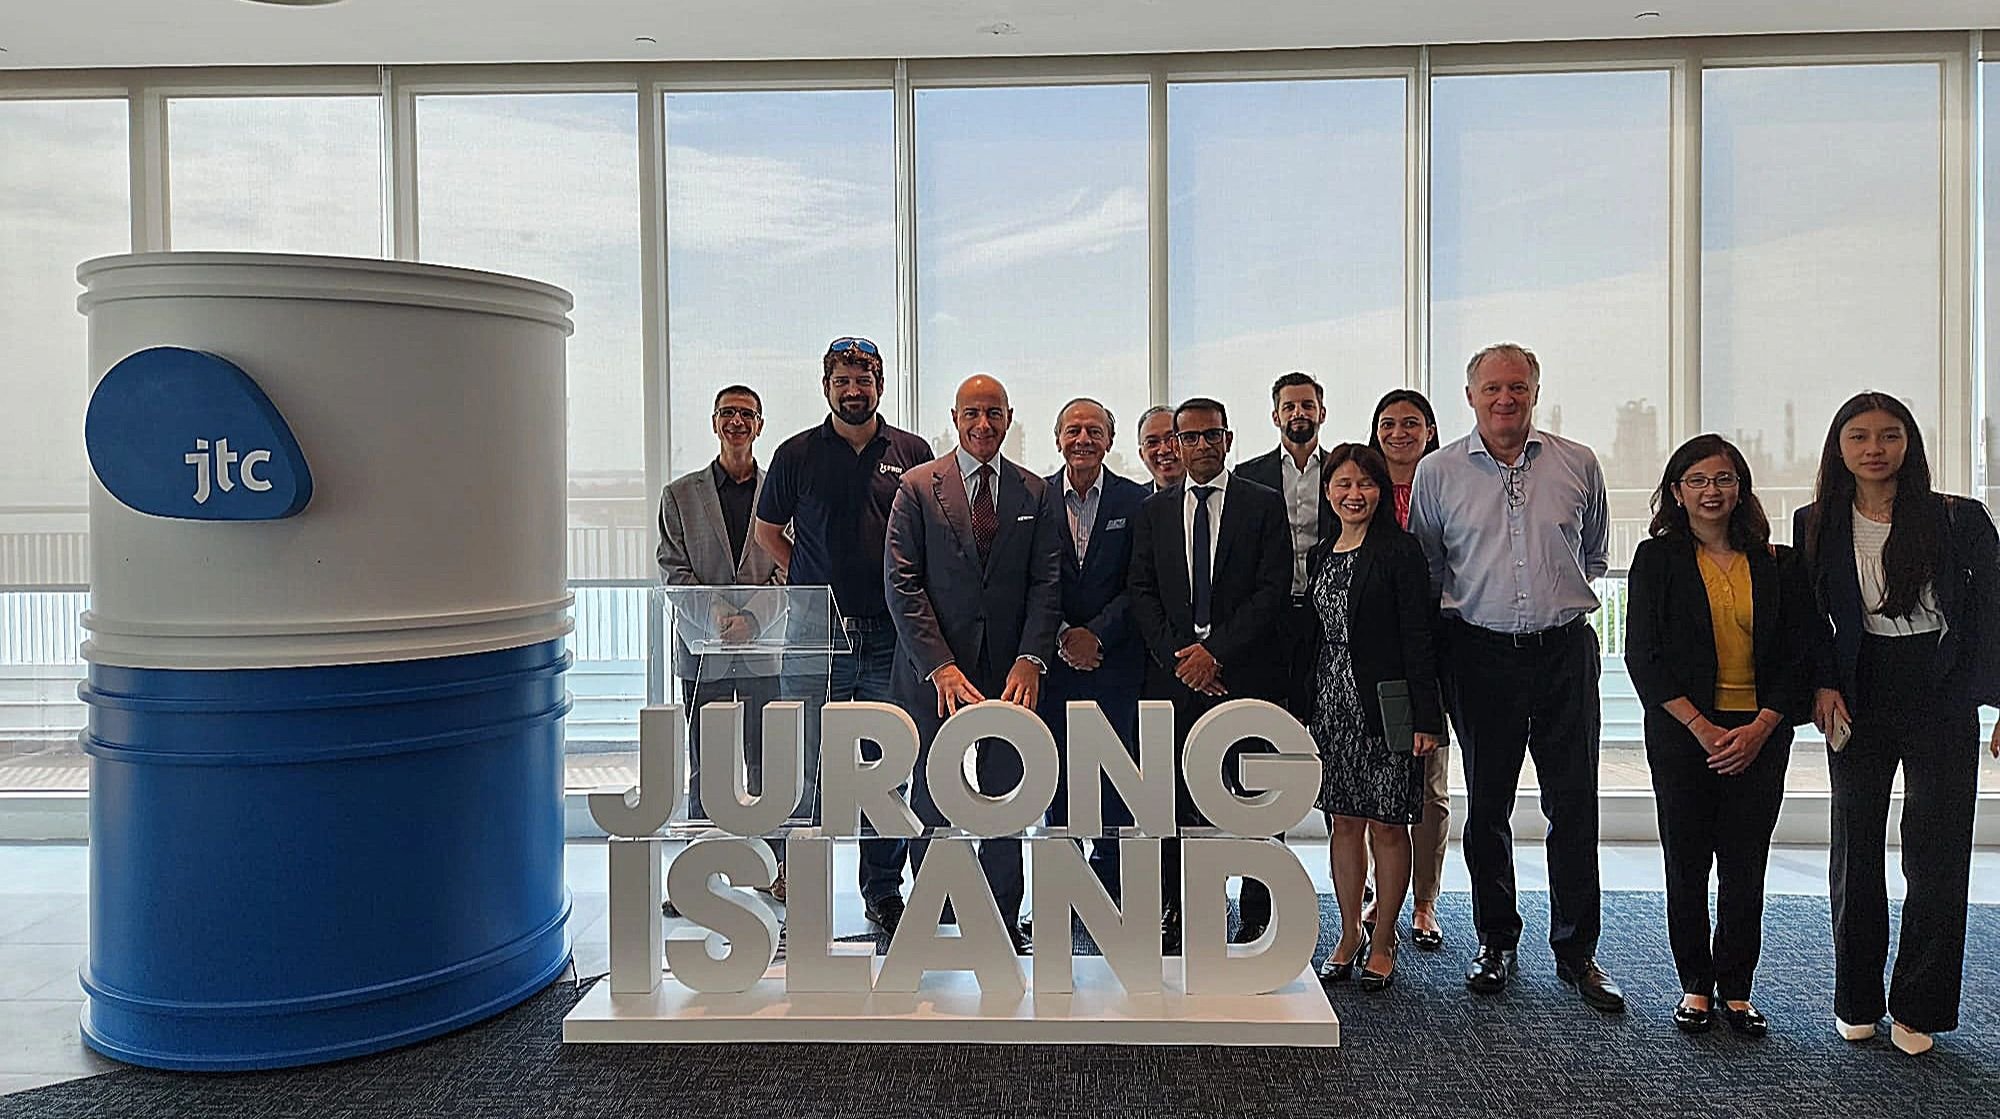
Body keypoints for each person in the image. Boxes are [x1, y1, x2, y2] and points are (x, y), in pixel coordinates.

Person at [1407, 342, 1624, 1012]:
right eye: (1492, 388)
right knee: (1489, 805)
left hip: (1564, 653)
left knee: (1573, 803)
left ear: (1536, 391)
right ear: (1469, 396)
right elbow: (1429, 567)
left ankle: (1577, 949)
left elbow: (1592, 554)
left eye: (1518, 388)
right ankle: (1496, 940)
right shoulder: (1437, 472)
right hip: (1479, 655)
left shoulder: (1578, 462)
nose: (1506, 399)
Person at [1792, 392, 2000, 1055]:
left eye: (1889, 435)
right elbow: (1807, 618)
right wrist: (1822, 682)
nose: (1874, 448)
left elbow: (1994, 609)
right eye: (1859, 436)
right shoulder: (1814, 521)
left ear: (1908, 443)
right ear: (1839, 446)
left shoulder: (1958, 518)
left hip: (1939, 687)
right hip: (1859, 687)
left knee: (1938, 850)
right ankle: (1855, 998)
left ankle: (1919, 1004)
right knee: (1855, 845)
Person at [1625, 434, 1817, 1037]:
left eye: (1725, 479)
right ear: (1677, 492)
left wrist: (1761, 726)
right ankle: (1695, 987)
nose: (1713, 492)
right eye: (1699, 481)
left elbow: (1798, 656)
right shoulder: (1656, 560)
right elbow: (1643, 656)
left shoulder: (1779, 561)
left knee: (1744, 864)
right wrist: (1703, 728)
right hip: (1686, 734)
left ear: (1742, 488)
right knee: (1687, 863)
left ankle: (1738, 990)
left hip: (1760, 734)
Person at [753, 337, 934, 936]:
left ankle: (883, 894)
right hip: (813, 634)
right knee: (801, 764)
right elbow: (768, 532)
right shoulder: (796, 453)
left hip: (889, 634)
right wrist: (806, 578)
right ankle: (798, 894)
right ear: (826, 386)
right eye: (842, 380)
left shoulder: (912, 451)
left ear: (881, 385)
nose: (853, 390)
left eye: (865, 379)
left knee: (886, 769)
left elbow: (925, 542)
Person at [884, 374, 1063, 953]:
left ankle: (1002, 920)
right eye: (971, 414)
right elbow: (902, 583)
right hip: (935, 675)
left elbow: (1046, 583)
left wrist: (1031, 658)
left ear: (1008, 417)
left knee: (1007, 793)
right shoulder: (916, 487)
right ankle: (938, 909)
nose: (982, 425)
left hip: (1012, 675)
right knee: (931, 793)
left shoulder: (1035, 492)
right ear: (955, 417)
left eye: (993, 413)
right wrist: (939, 666)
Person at [1127, 397, 1290, 953]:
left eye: (1209, 435)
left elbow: (1273, 590)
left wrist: (1214, 654)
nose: (1197, 446)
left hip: (1243, 675)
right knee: (1169, 801)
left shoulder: (1263, 505)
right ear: (1173, 441)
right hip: (1173, 680)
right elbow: (1142, 594)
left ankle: (1258, 912)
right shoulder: (1153, 512)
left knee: (1253, 796)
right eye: (1186, 437)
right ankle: (1174, 907)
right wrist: (1185, 657)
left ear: (1228, 437)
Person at [1305, 444, 1443, 994]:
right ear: (1328, 491)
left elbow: (1419, 638)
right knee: (1342, 823)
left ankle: (1382, 938)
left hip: (1387, 709)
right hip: (1332, 707)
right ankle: (1348, 934)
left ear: (1381, 492)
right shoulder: (1321, 554)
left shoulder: (1399, 551)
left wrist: (1427, 718)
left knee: (1389, 824)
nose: (1353, 494)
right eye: (1342, 484)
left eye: (1364, 484)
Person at [658, 385, 785, 888]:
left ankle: (776, 871)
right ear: (714, 422)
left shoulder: (781, 491)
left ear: (760, 425)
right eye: (728, 413)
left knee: (768, 763)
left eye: (746, 414)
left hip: (765, 650)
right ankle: (700, 877)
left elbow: (789, 568)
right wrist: (715, 617)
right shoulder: (679, 494)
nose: (737, 421)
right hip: (702, 650)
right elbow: (673, 568)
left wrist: (753, 620)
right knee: (705, 765)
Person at [1234, 372, 1333, 942]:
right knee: (1261, 760)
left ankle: (1354, 895)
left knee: (1329, 752)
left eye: (1307, 404)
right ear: (1275, 416)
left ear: (1322, 411)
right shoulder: (1248, 479)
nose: (1299, 412)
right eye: (1289, 405)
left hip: (1329, 626)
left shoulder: (1346, 470)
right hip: (1267, 631)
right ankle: (1257, 898)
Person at [1039, 398, 1150, 899]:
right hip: (1052, 664)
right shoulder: (1032, 497)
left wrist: (1096, 634)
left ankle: (1111, 884)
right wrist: (1063, 633)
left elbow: (1142, 582)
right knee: (1056, 771)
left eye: (1094, 430)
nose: (1083, 439)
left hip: (1115, 660)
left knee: (1118, 771)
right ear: (1057, 438)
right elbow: (1024, 581)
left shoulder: (1136, 501)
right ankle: (1063, 883)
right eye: (1073, 430)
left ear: (1110, 439)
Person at [1364, 388, 1450, 952]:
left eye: (1411, 423)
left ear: (1430, 431)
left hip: (1438, 647)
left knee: (1429, 782)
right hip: (1376, 654)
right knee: (1377, 780)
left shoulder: (1448, 485)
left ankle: (1424, 900)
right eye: (1388, 423)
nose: (1399, 433)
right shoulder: (1358, 485)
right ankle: (1379, 892)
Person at [1135, 405, 1186, 494]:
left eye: (1171, 438)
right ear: (1141, 455)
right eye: (1152, 442)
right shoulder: (1133, 501)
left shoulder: (1210, 496)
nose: (1164, 450)